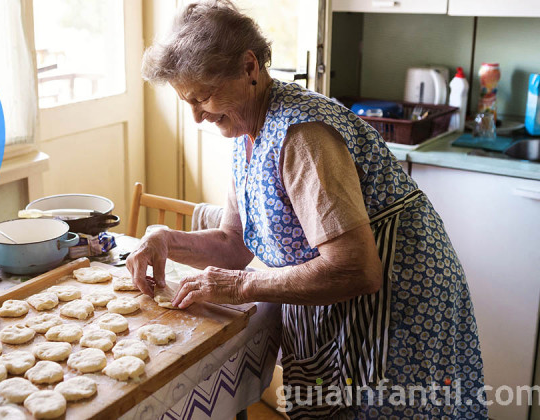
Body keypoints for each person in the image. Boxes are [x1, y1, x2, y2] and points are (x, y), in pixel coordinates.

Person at [129, 1, 487, 418]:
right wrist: (163, 239)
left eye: (203, 97)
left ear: (249, 68)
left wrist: (239, 286)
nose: (196, 117)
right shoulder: (247, 130)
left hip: (396, 310)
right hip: (341, 307)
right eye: (186, 101)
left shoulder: (302, 135)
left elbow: (356, 268)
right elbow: (233, 242)